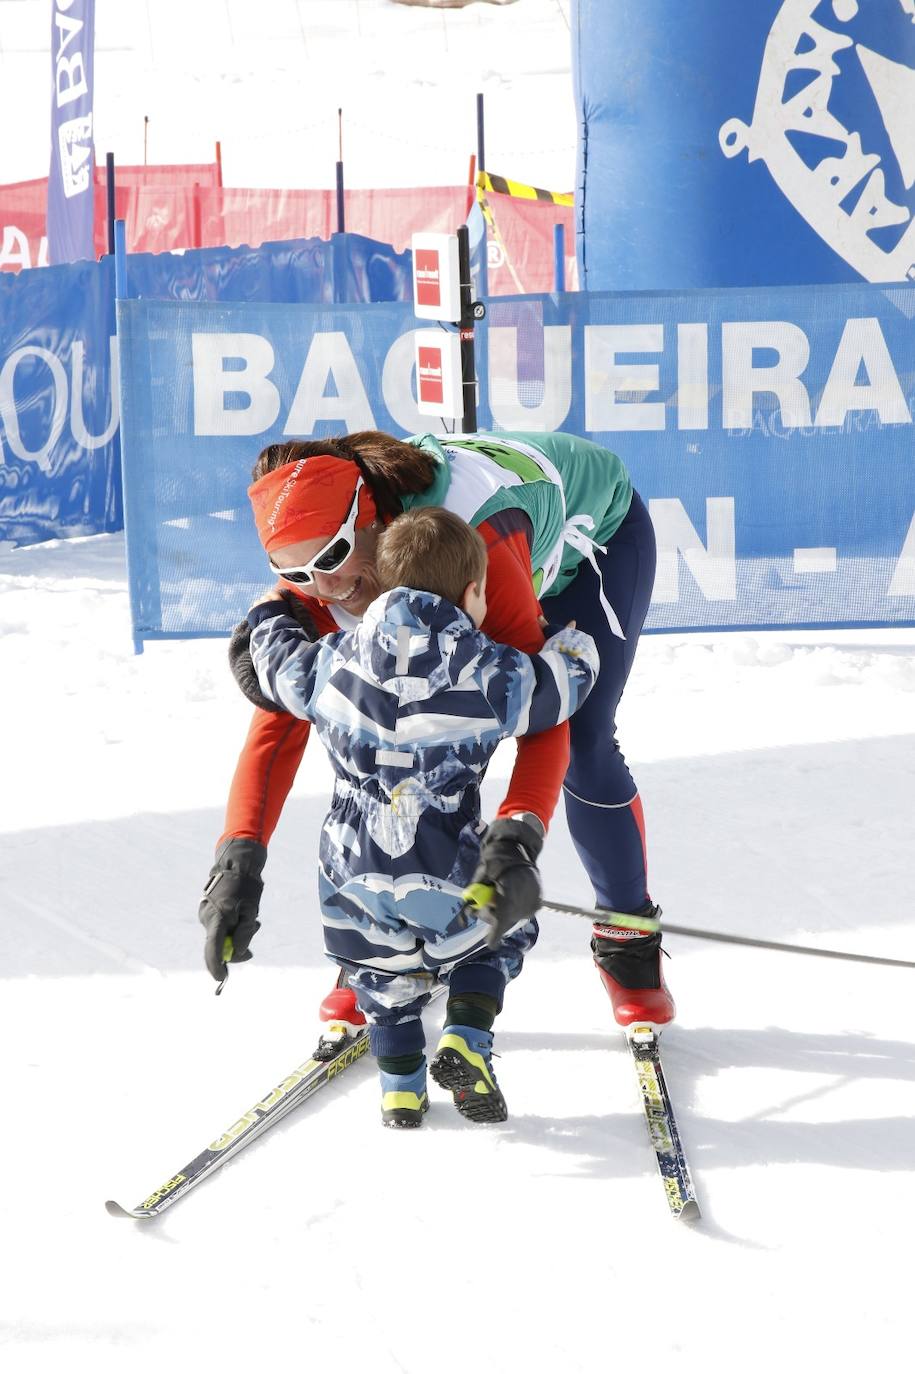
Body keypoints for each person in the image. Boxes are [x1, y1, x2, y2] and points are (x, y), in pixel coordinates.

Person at [199, 429, 675, 1048]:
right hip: (442, 561)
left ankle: (626, 938)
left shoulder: (467, 546)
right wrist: (237, 858)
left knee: (583, 737)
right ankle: (382, 945)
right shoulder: (323, 565)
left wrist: (518, 835)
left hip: (587, 551)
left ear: (371, 524)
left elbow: (542, 714)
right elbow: (286, 715)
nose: (325, 587)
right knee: (372, 730)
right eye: (294, 572)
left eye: (335, 557)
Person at [216, 505, 598, 1127]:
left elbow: (276, 661)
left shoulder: (331, 663)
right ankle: (466, 1038)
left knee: (379, 977)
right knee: (492, 943)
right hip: (450, 862)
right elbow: (560, 690)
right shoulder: (491, 674)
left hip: (350, 873)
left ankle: (399, 1090)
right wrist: (575, 645)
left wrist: (268, 611)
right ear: (475, 593)